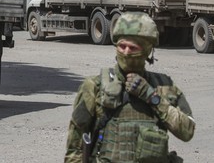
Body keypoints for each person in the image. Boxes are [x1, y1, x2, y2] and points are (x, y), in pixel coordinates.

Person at [65, 12, 195, 163]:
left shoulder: (164, 87)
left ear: (147, 50)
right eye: (122, 46)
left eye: (133, 48)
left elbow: (187, 131)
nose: (126, 52)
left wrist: (152, 97)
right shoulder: (94, 86)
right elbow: (75, 146)